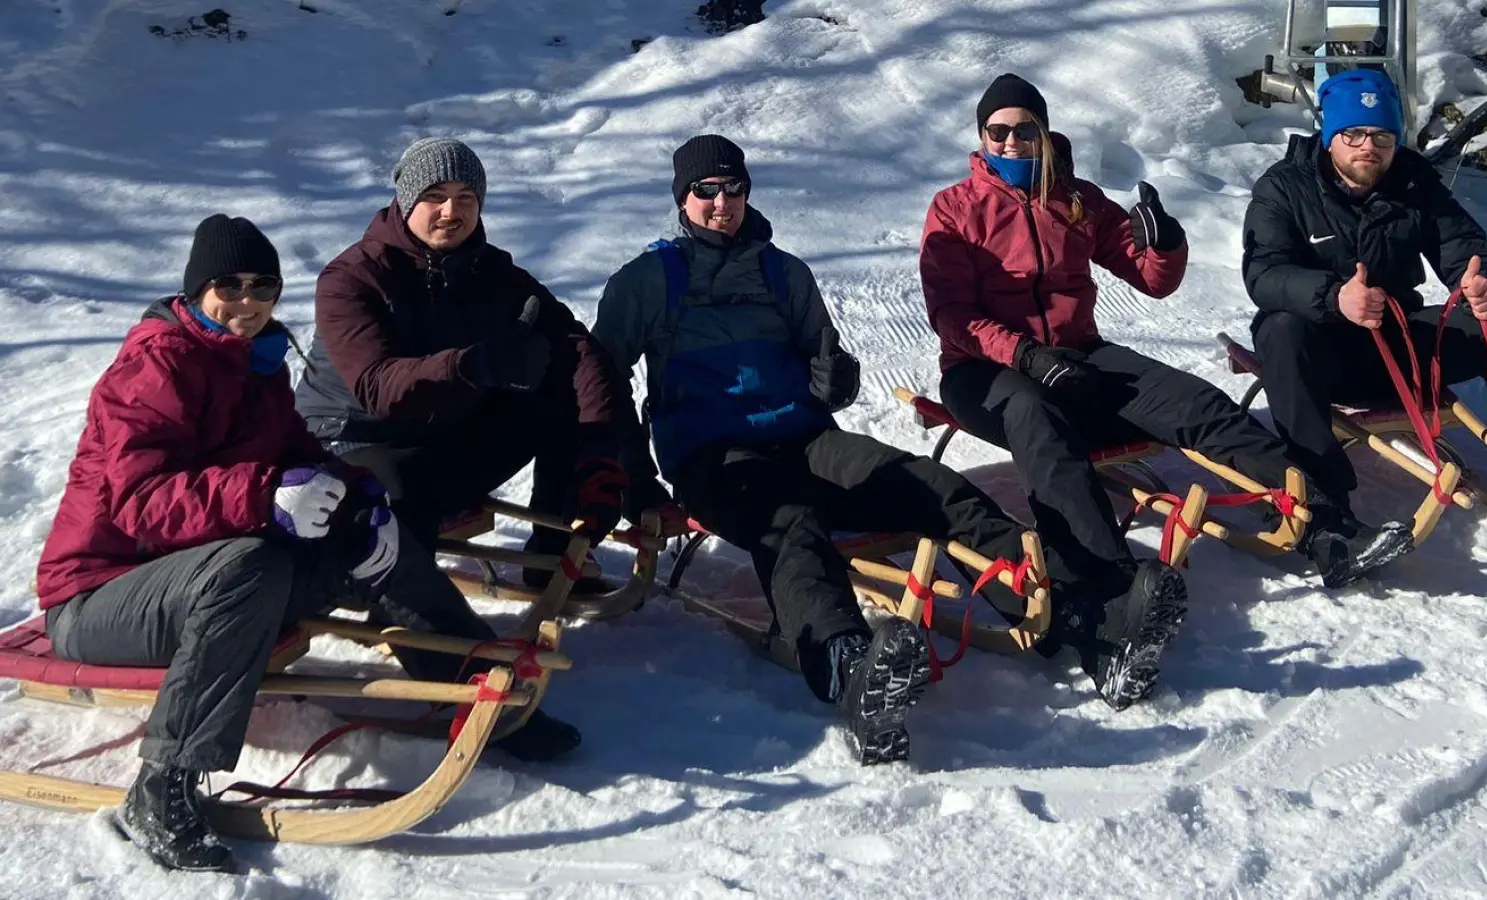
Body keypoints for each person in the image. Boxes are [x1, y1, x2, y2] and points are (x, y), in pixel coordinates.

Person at [33, 216, 573, 874]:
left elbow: (298, 455)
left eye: (262, 286)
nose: (247, 300)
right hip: (100, 596)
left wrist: (361, 499)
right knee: (247, 563)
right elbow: (138, 502)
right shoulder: (156, 365)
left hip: (202, 584)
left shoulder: (256, 365)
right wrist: (263, 496)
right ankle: (162, 786)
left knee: (375, 535)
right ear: (197, 290)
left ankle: (475, 688)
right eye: (228, 285)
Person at [919, 74, 1415, 688]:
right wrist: (1025, 357)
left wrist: (1165, 242)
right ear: (982, 138)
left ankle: (1326, 525)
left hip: (1077, 355)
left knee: (1196, 402)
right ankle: (1108, 592)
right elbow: (952, 315)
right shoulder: (956, 209)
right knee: (1037, 422)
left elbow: (1153, 280)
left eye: (1027, 130)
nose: (1014, 143)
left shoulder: (1074, 199)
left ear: (1045, 135)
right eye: (1000, 132)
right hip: (984, 371)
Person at [593, 135, 1049, 762]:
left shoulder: (784, 273)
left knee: (922, 481)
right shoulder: (648, 281)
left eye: (734, 189)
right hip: (714, 455)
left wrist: (836, 378)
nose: (722, 203)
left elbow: (829, 366)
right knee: (792, 527)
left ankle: (1035, 590)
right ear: (683, 198)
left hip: (804, 438)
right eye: (706, 191)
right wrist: (633, 480)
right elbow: (601, 383)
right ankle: (847, 664)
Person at [1242, 68, 1487, 560]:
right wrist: (1333, 297)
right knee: (1279, 330)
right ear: (1331, 137)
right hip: (1322, 354)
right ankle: (1324, 511)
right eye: (1355, 134)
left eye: (1383, 135)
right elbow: (1263, 274)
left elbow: (1471, 251)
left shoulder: (1414, 182)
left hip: (1400, 346)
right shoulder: (1284, 188)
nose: (1369, 146)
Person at [293, 137, 629, 595]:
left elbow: (579, 351)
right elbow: (377, 387)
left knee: (554, 390)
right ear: (407, 200)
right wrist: (475, 366)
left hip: (433, 438)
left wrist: (598, 452)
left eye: (465, 198)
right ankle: (412, 611)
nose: (451, 211)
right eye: (435, 197)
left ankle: (552, 554)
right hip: (350, 441)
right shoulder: (353, 278)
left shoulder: (489, 274)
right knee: (401, 490)